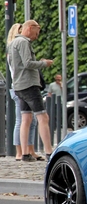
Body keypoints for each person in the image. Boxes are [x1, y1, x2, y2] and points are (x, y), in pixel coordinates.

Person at [8, 20, 55, 162]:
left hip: (19, 86)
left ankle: (25, 154)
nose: (37, 35)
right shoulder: (23, 42)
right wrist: (43, 63)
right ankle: (49, 151)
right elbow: (27, 63)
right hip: (29, 85)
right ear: (29, 28)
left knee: (26, 118)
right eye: (37, 31)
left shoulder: (12, 44)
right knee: (43, 117)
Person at [7, 23, 41, 161]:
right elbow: (24, 66)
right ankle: (20, 152)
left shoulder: (16, 47)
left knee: (28, 120)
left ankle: (28, 150)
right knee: (22, 120)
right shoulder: (17, 47)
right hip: (20, 86)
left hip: (19, 86)